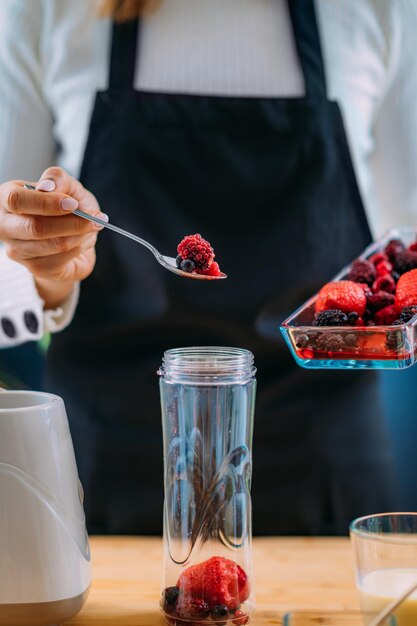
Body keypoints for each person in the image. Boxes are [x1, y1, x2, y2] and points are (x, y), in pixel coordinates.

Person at [1, 0, 416, 535]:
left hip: (322, 459)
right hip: (109, 460)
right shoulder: (45, 8)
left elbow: (406, 241)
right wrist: (52, 264)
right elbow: (9, 246)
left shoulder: (381, 9)